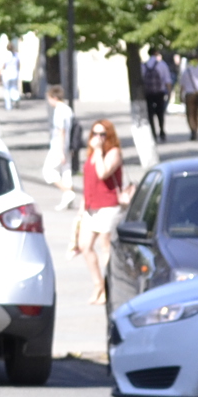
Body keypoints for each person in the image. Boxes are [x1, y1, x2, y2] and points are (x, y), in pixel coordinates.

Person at [77, 120, 124, 304]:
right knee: (84, 246)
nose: (98, 138)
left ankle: (109, 288)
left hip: (108, 206)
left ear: (109, 136)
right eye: (94, 134)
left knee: (106, 248)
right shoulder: (90, 155)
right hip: (91, 206)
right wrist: (81, 209)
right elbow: (89, 181)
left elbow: (103, 173)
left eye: (102, 134)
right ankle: (98, 284)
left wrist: (98, 151)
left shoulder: (114, 153)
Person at [41, 86, 76, 209]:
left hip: (58, 145)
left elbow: (61, 131)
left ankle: (68, 192)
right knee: (66, 171)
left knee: (48, 171)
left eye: (49, 98)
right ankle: (67, 198)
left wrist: (60, 150)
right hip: (67, 145)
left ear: (54, 97)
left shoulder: (59, 110)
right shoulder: (68, 109)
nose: (49, 102)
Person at [141, 46, 172, 141]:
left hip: (148, 93)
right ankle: (161, 131)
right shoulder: (162, 65)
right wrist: (169, 93)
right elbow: (167, 80)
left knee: (150, 114)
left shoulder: (143, 65)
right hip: (159, 93)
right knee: (160, 113)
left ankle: (153, 133)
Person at [181, 54, 198, 141]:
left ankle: (193, 130)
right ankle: (196, 130)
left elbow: (182, 85)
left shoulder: (187, 71)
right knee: (196, 113)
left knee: (190, 114)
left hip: (189, 94)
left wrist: (180, 95)